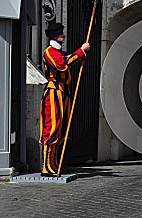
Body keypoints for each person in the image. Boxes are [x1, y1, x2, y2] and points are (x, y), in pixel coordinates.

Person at [39, 22, 90, 177]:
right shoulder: (50, 52)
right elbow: (62, 64)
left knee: (61, 127)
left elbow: (66, 58)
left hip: (62, 91)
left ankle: (54, 163)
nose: (64, 36)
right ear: (55, 36)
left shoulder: (59, 51)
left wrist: (79, 53)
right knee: (52, 126)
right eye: (61, 34)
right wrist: (80, 51)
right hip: (54, 92)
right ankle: (46, 166)